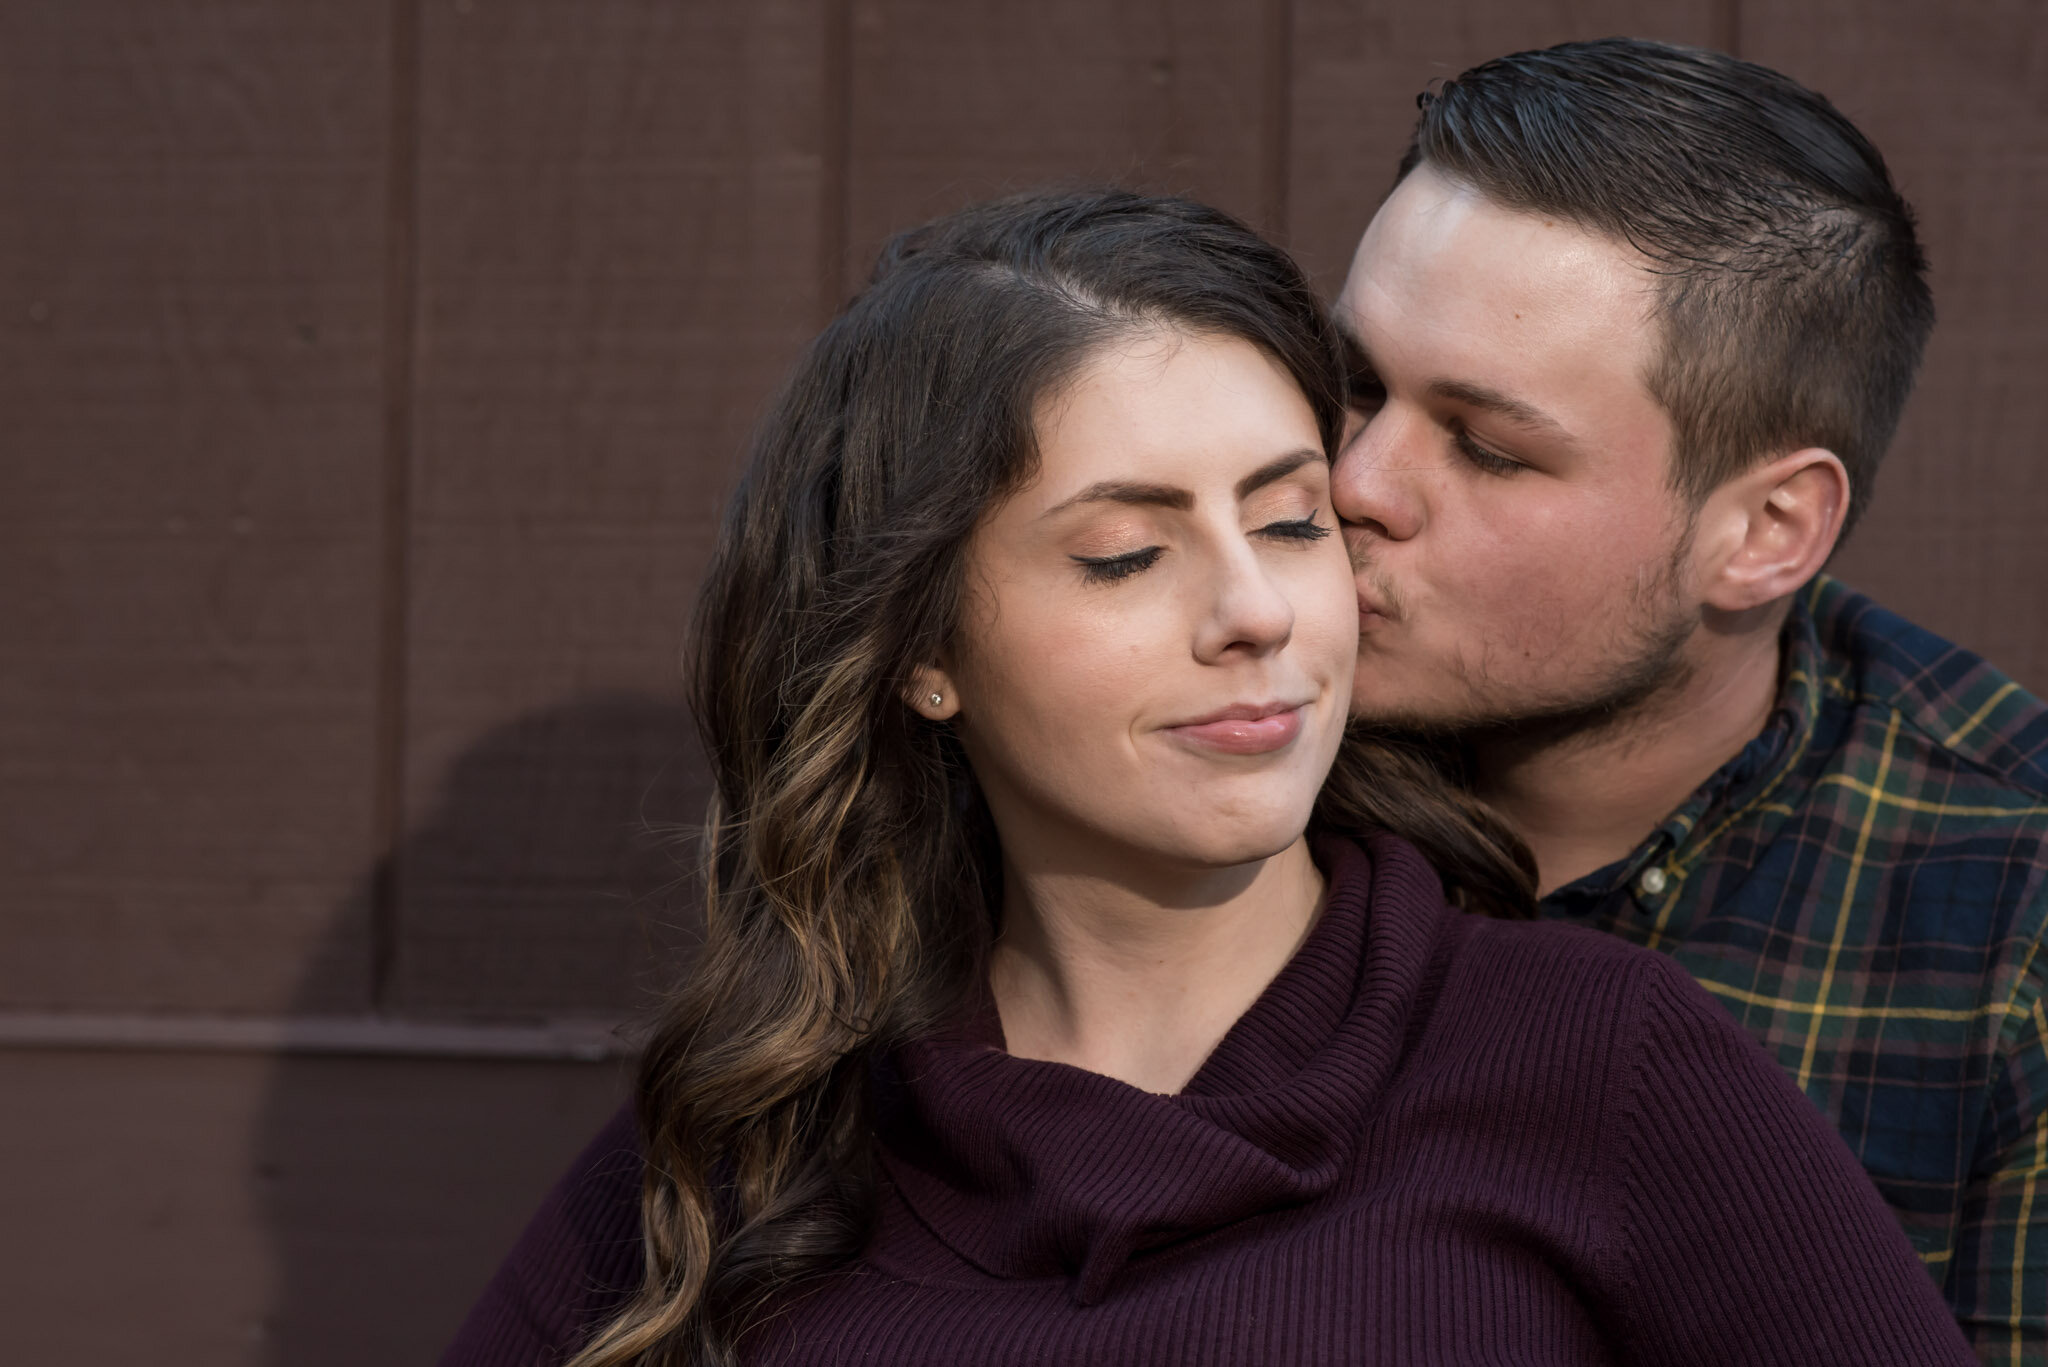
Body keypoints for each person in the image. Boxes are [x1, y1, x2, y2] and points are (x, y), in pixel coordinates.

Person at [443, 188, 1968, 1366]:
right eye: (1125, 553)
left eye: (1294, 522)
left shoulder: (1601, 1064)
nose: (1256, 610)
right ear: (923, 651)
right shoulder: (757, 1143)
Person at [1329, 37, 2048, 1361]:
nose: (1356, 482)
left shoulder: (2008, 916)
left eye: (1488, 449)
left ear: (1767, 531)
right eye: (1359, 384)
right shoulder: (1205, 753)